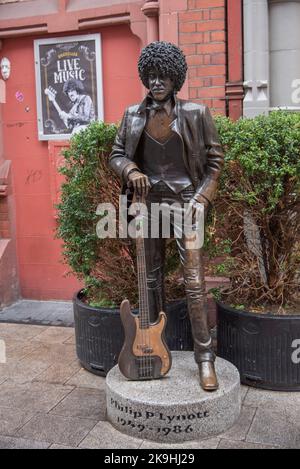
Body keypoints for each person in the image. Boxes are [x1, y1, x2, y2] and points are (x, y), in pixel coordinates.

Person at [109, 41, 224, 391]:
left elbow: (215, 162)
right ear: (145, 76)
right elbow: (116, 154)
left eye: (164, 76)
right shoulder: (132, 115)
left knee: (193, 282)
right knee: (150, 281)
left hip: (185, 202)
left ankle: (205, 359)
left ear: (176, 78)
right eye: (152, 76)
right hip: (146, 205)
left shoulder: (195, 114)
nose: (157, 82)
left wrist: (202, 197)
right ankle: (157, 348)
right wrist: (129, 169)